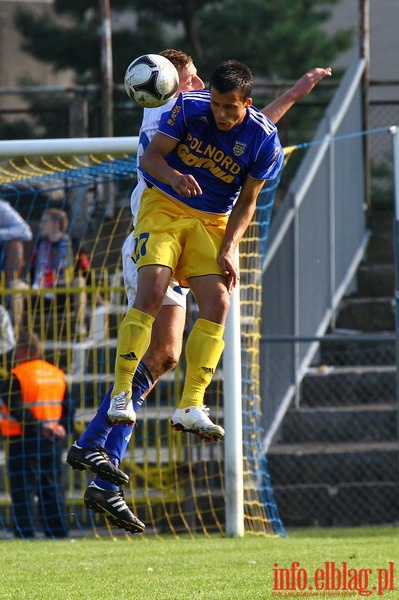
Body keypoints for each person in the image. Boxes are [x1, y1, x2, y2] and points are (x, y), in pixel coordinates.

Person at [66, 51, 332, 532]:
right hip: (156, 230)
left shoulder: (216, 109)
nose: (195, 82)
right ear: (170, 81)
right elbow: (220, 117)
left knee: (166, 355)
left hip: (195, 232)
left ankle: (97, 459)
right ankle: (95, 449)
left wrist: (294, 93)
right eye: (189, 76)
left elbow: (249, 125)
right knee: (155, 343)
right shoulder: (170, 105)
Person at [0, 331, 73, 538]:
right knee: (51, 486)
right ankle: (57, 532)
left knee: (23, 488)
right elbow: (69, 407)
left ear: (23, 350)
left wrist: (39, 425)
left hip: (23, 438)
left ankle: (25, 533)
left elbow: (14, 407)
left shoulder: (18, 374)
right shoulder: (57, 373)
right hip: (53, 439)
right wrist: (62, 427)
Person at [30, 208, 87, 337]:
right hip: (41, 292)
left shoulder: (73, 242)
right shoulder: (40, 243)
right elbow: (32, 270)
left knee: (79, 282)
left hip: (65, 294)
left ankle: (79, 325)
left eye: (44, 221)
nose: (41, 225)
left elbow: (85, 270)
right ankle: (17, 331)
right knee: (16, 286)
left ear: (56, 224)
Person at [0, 199, 33, 332]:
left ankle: (9, 289)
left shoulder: (2, 207)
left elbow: (26, 232)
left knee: (16, 244)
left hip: (5, 267)